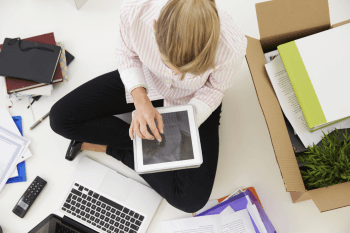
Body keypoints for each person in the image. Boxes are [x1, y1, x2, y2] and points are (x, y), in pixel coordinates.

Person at [50, 0, 247, 213]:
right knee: (61, 118)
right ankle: (144, 145)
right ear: (154, 27)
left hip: (195, 99)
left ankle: (114, 148)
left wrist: (179, 126)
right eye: (170, 66)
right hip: (148, 81)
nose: (176, 77)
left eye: (187, 71)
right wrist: (140, 100)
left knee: (190, 200)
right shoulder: (135, 9)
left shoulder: (231, 46)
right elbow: (127, 54)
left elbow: (215, 89)